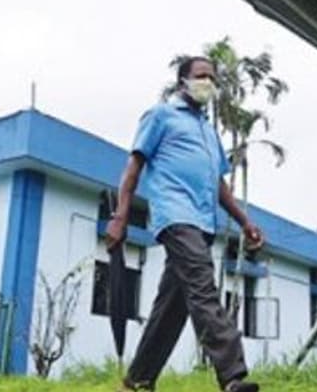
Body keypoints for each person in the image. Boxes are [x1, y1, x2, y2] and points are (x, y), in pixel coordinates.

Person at [106, 56, 264, 392]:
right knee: (204, 288)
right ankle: (233, 377)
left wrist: (245, 221)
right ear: (183, 81)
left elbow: (219, 185)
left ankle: (137, 382)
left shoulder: (208, 131)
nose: (208, 82)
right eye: (201, 76)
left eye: (212, 78)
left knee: (172, 308)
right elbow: (133, 168)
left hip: (202, 221)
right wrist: (120, 216)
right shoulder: (161, 115)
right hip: (175, 216)